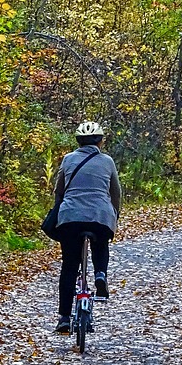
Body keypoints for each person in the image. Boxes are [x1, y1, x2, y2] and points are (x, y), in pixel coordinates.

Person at [52, 119, 122, 333]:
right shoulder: (107, 161)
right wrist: (114, 215)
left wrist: (59, 211)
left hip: (70, 217)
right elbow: (116, 192)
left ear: (78, 141)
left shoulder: (68, 159)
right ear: (100, 141)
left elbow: (59, 191)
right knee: (100, 243)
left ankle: (64, 318)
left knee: (69, 266)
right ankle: (100, 273)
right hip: (100, 214)